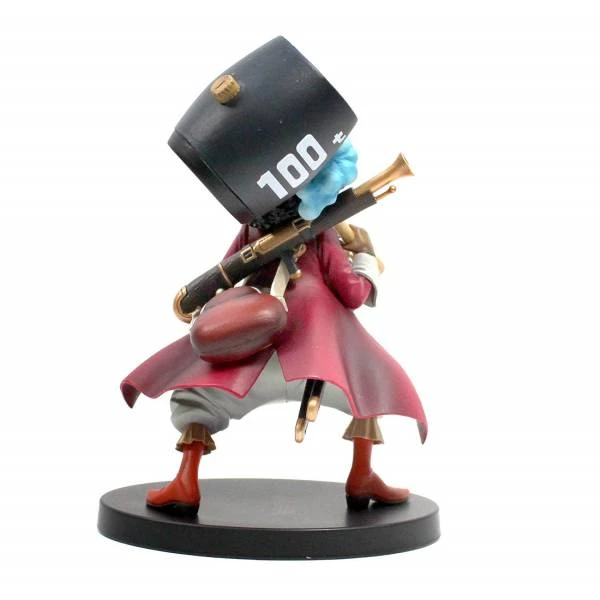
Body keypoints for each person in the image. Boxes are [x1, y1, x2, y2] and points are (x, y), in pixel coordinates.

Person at [121, 142, 427, 516]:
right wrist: (365, 256)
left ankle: (186, 480)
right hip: (317, 354)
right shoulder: (321, 233)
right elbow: (353, 294)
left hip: (255, 347)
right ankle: (361, 473)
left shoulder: (252, 226)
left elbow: (226, 276)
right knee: (367, 387)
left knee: (195, 399)